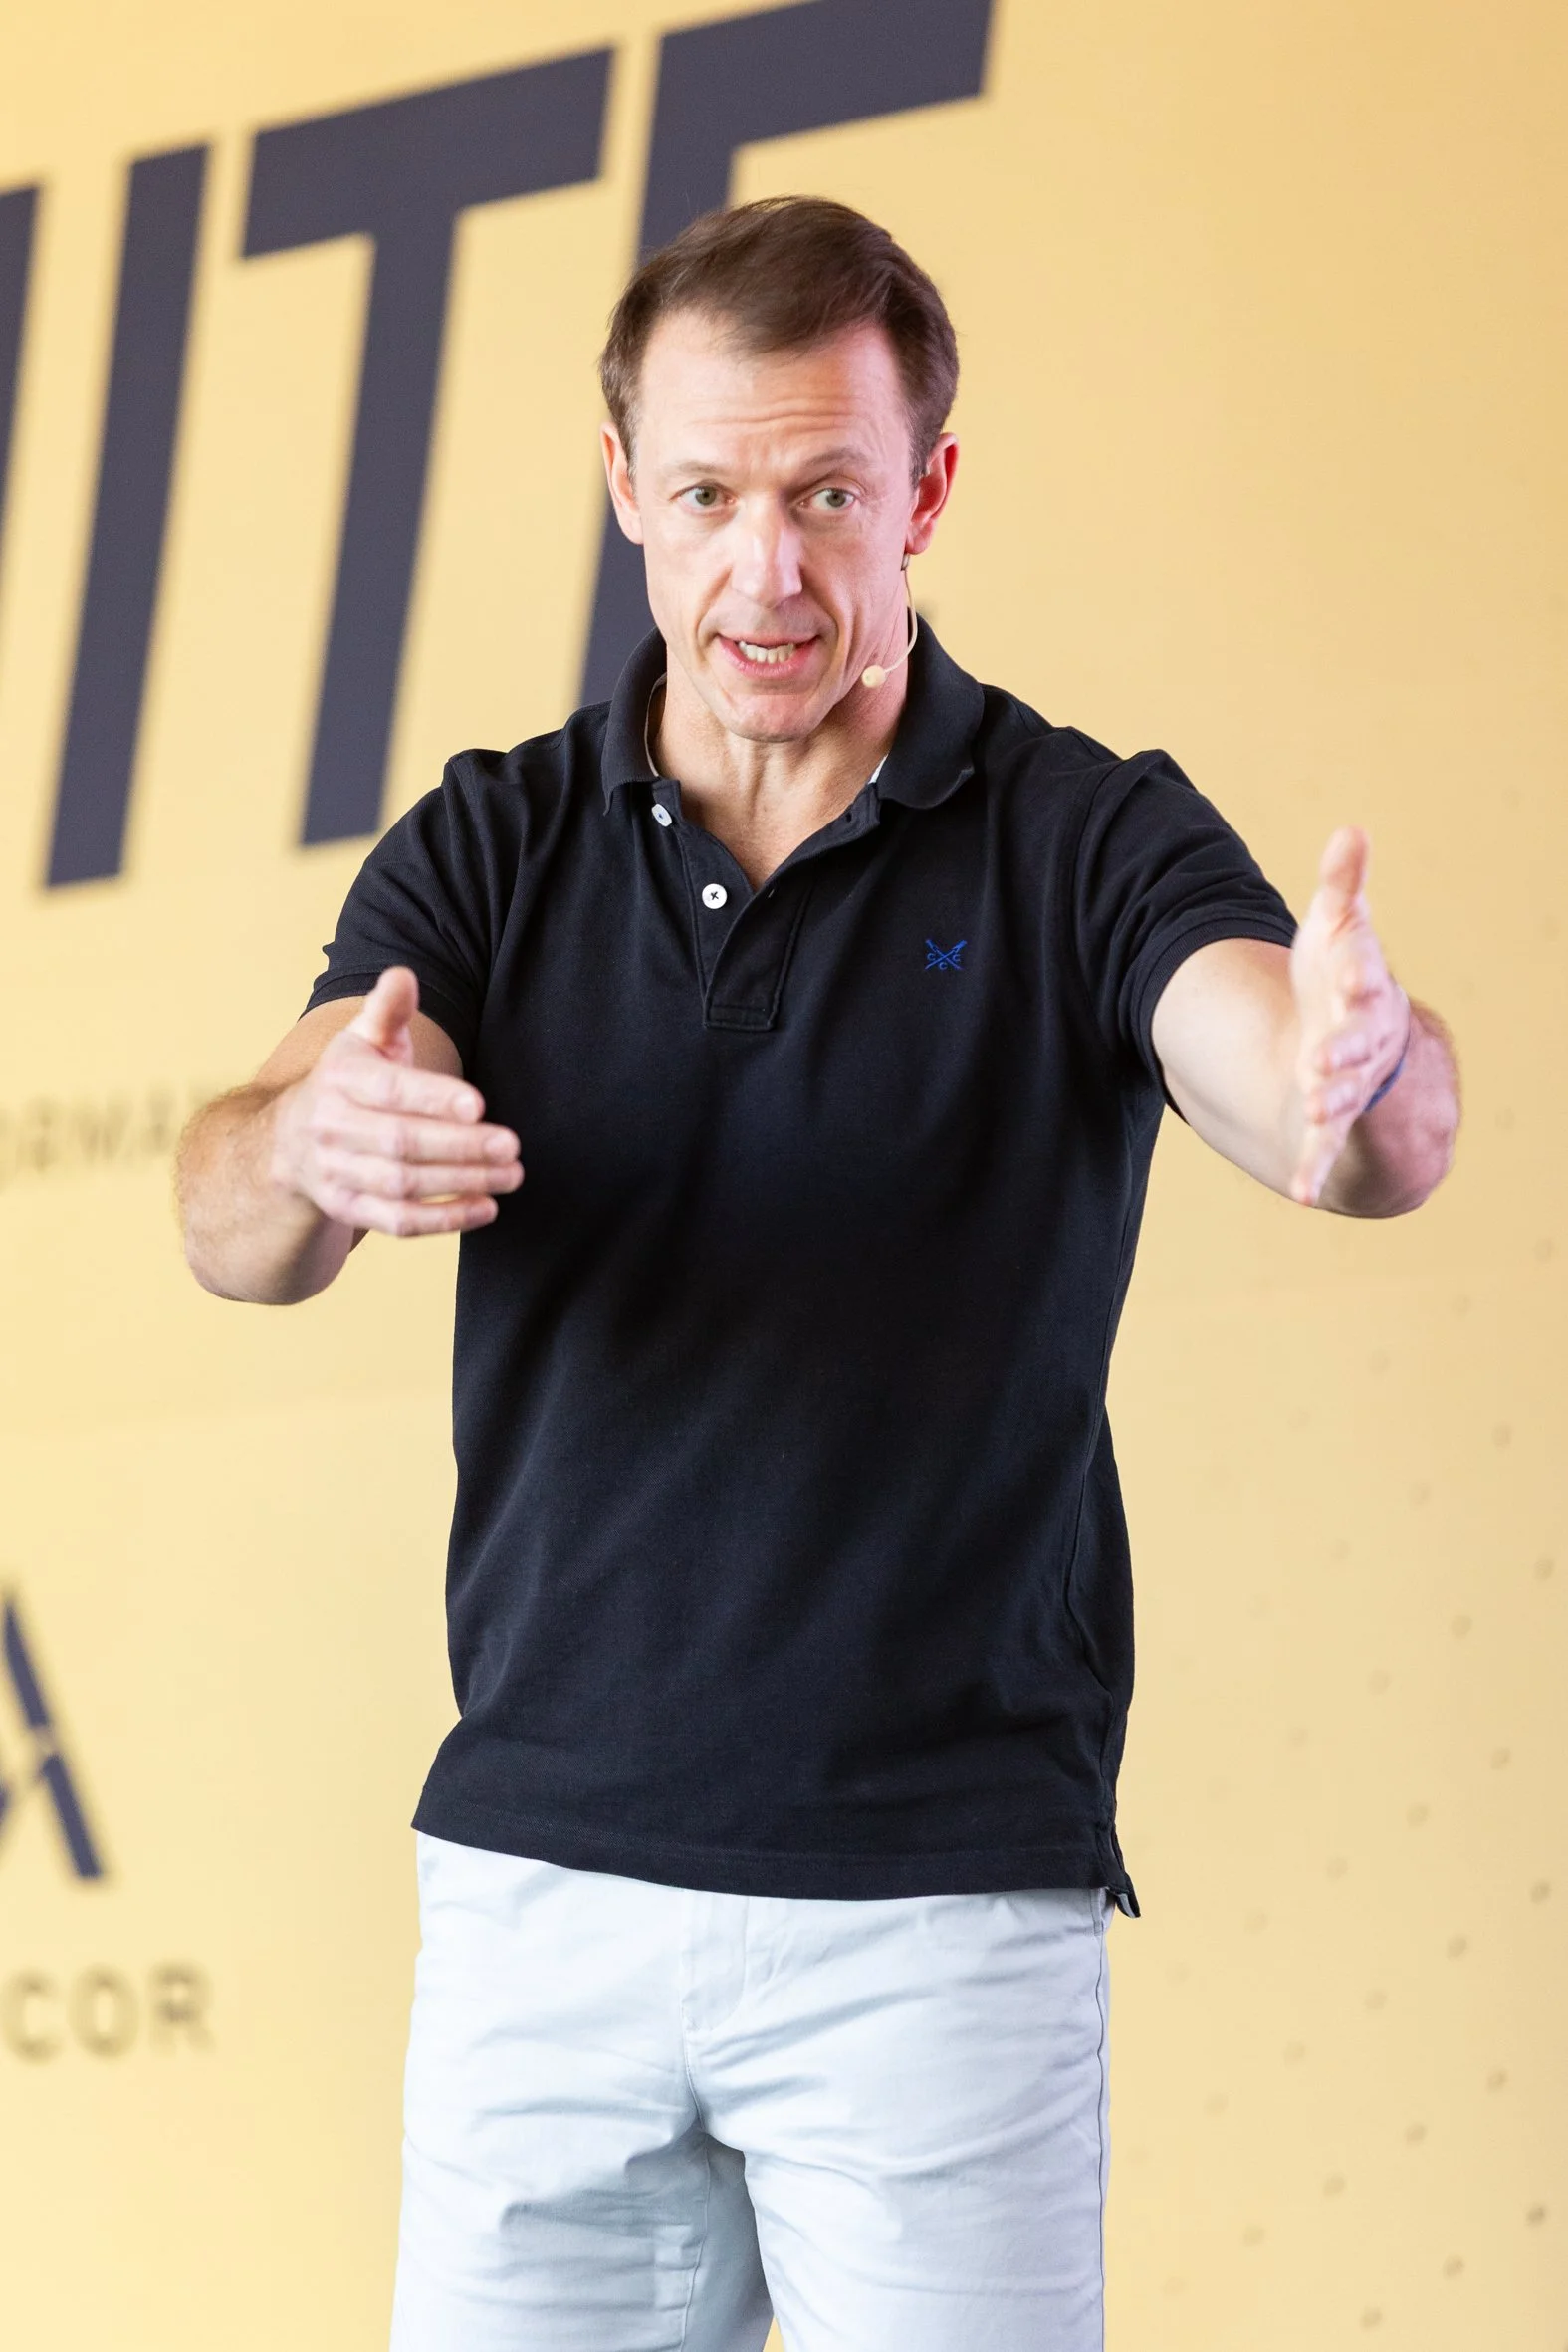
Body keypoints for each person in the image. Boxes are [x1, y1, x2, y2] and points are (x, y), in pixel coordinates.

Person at [176, 196, 1459, 2352]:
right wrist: (302, 1137)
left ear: (925, 492)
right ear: (621, 492)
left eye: (826, 495)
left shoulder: (1077, 833)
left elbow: (1330, 1109)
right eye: (705, 495)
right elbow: (236, 1216)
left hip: (935, 1922)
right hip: (543, 1900)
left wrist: (1359, 1069)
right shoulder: (493, 844)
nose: (765, 567)